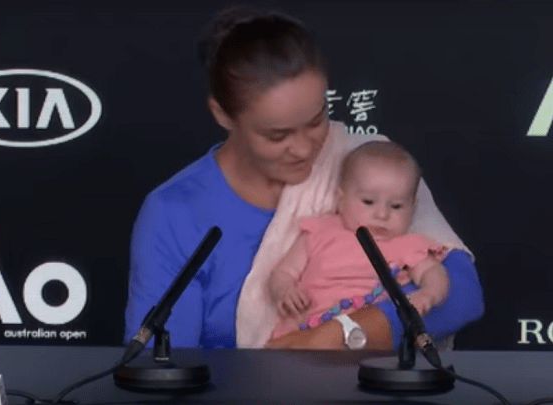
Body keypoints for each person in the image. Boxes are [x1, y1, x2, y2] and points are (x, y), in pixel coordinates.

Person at [124, 5, 484, 350]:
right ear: (222, 114)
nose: (304, 149)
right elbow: (164, 359)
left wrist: (331, 338)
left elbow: (462, 295)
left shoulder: (369, 163)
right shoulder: (175, 211)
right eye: (277, 135)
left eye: (316, 121)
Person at [268, 141, 449, 339]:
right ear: (341, 200)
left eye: (396, 206)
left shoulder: (407, 244)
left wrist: (428, 294)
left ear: (412, 210)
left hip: (363, 338)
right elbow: (283, 272)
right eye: (368, 202)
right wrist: (284, 290)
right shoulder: (320, 231)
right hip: (300, 332)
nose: (382, 214)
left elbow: (433, 273)